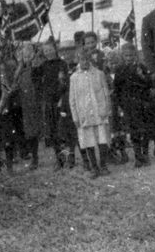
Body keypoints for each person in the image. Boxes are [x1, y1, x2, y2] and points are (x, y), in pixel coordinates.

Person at [111, 43, 155, 168]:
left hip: (143, 104)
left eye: (132, 55)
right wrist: (120, 105)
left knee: (145, 131)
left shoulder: (142, 67)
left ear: (135, 55)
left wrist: (142, 76)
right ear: (122, 56)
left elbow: (150, 84)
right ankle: (138, 156)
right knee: (134, 132)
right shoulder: (119, 69)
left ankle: (145, 154)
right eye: (127, 56)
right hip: (128, 105)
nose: (129, 58)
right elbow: (117, 89)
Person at [69, 50, 112, 178]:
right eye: (82, 59)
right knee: (89, 141)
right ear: (78, 60)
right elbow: (72, 100)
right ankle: (94, 167)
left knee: (102, 139)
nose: (85, 62)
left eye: (87, 59)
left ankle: (103, 165)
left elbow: (105, 93)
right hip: (84, 114)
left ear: (91, 60)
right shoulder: (74, 78)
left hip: (99, 112)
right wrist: (75, 117)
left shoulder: (99, 74)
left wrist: (106, 109)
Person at [36, 38, 72, 169]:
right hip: (49, 102)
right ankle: (59, 159)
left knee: (63, 131)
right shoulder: (43, 66)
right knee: (52, 132)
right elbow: (36, 80)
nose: (48, 53)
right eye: (45, 51)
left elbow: (65, 82)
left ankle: (69, 158)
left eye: (50, 50)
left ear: (55, 50)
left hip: (60, 102)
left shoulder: (62, 64)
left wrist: (62, 98)